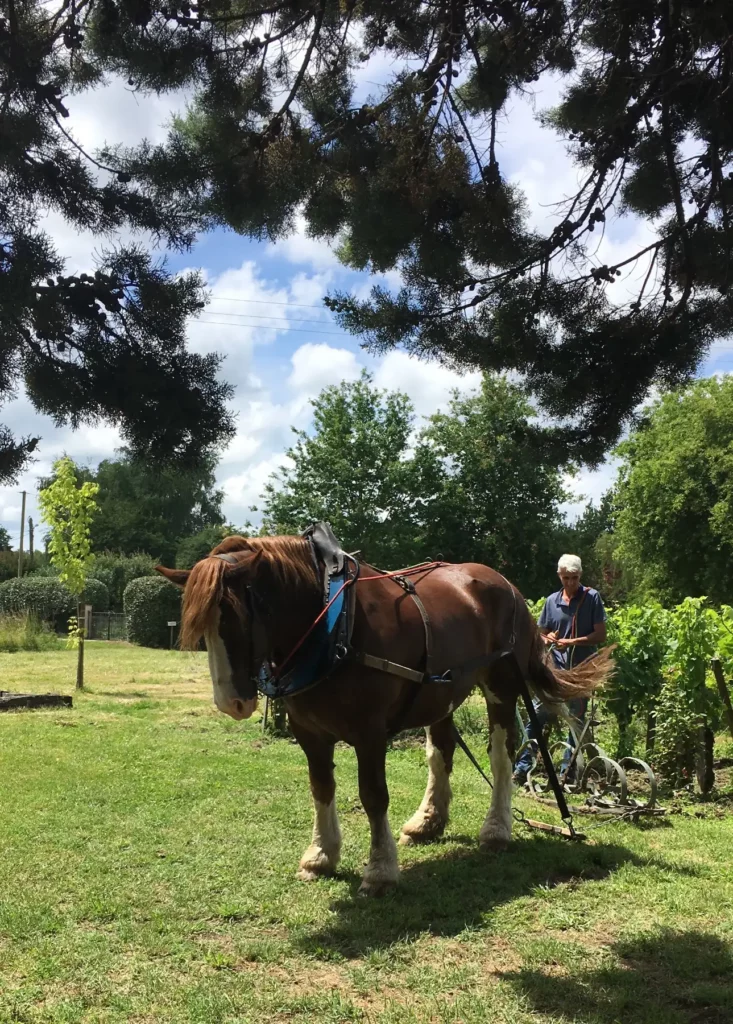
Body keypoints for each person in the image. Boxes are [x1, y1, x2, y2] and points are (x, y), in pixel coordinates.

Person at [512, 554, 607, 786]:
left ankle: (568, 773)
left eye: (574, 578)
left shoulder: (592, 598)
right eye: (566, 578)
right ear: (559, 576)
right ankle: (522, 769)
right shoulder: (552, 601)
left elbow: (600, 634)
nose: (570, 583)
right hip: (554, 672)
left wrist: (572, 642)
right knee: (536, 717)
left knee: (575, 721)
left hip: (581, 672)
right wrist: (548, 637)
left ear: (580, 576)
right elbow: (541, 633)